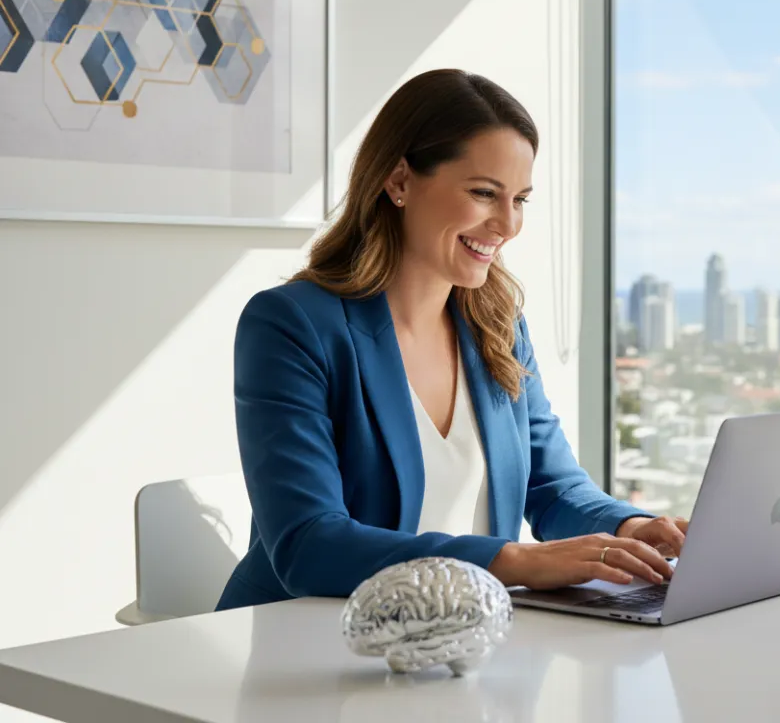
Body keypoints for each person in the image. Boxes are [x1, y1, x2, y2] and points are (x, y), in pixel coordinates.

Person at [215, 69, 688, 611]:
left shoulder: (497, 326)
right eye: (485, 193)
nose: (507, 224)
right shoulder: (292, 325)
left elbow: (551, 485)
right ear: (398, 183)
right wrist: (510, 561)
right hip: (309, 646)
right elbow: (307, 544)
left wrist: (631, 528)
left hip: (463, 642)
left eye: (521, 200)